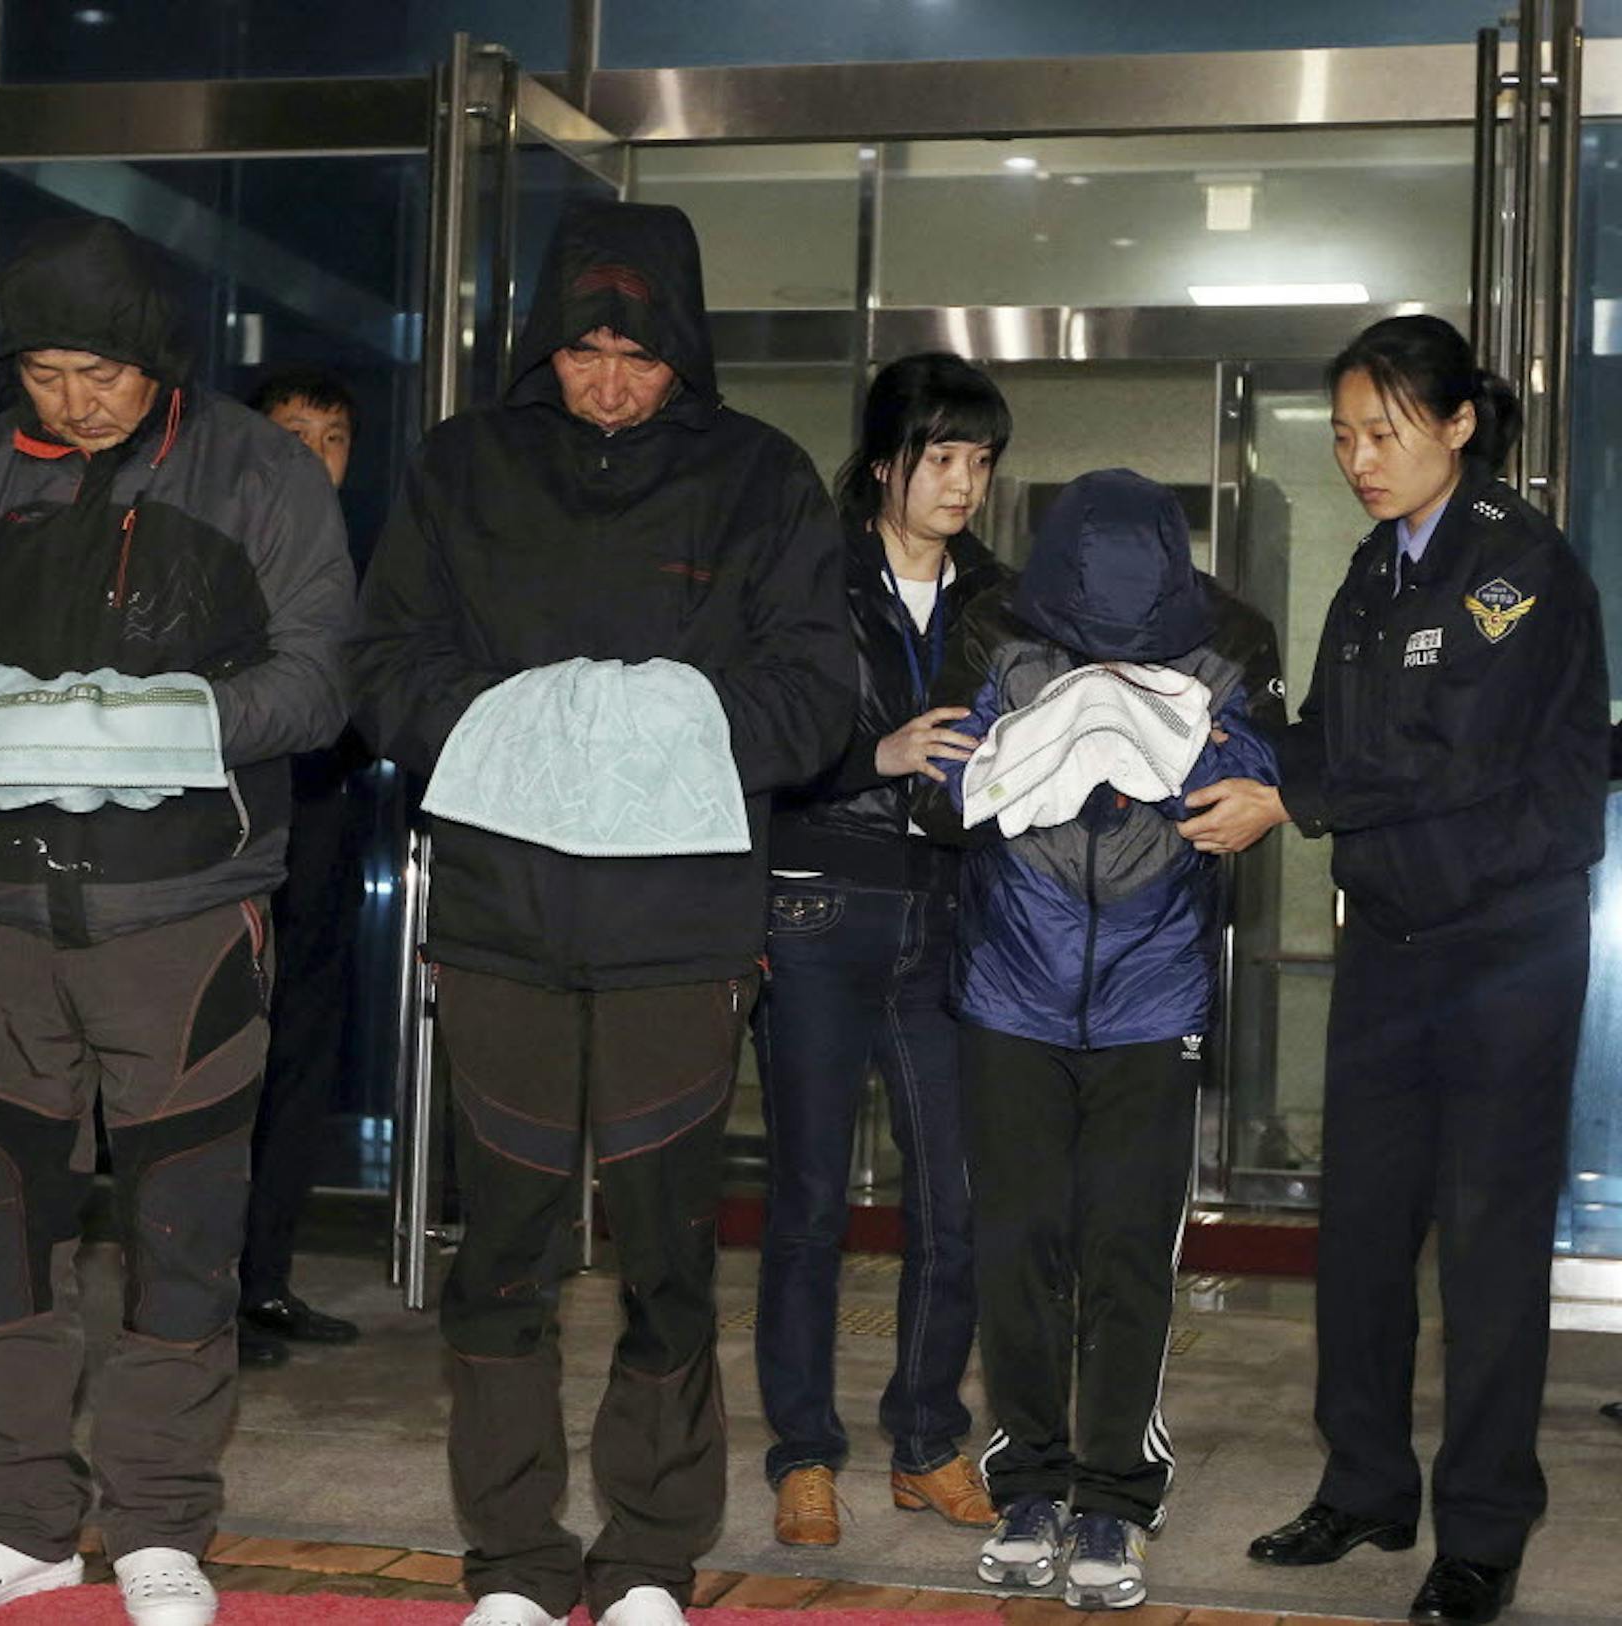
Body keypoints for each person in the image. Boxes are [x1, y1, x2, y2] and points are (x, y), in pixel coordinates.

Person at [350, 199, 854, 1626]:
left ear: (682, 350)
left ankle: (646, 1554)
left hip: (680, 932)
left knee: (667, 1254)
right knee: (501, 1251)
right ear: (543, 343)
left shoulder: (762, 479)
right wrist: (531, 719)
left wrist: (656, 720)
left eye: (637, 355)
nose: (609, 381)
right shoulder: (462, 466)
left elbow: (818, 696)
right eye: (582, 351)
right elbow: (380, 667)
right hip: (503, 921)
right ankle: (512, 1556)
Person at [0, 215, 353, 1626]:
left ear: (160, 365)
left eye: (101, 374)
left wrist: (151, 723)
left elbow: (320, 678)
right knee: (1, 1220)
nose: (72, 400)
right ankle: (17, 1517)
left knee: (181, 1224)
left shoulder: (257, 473)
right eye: (44, 372)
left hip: (183, 915)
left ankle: (156, 1525)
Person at [1184, 315, 1607, 1626]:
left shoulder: (1516, 570)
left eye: (1387, 432)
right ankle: (1365, 1480)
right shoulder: (1375, 567)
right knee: (1360, 1235)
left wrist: (1287, 801)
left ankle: (1482, 1527)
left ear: (1460, 423)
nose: (1361, 459)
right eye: (1347, 434)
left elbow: (1451, 756)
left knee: (1484, 1250)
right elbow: (1330, 732)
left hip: (1504, 949)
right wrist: (1220, 741)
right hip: (1391, 946)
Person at [913, 469, 1284, 1611]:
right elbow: (932, 795)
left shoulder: (1233, 634)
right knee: (1018, 1246)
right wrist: (1014, 754)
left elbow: (1260, 792)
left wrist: (1198, 764)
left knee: (1127, 1251)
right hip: (1009, 991)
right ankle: (1029, 1478)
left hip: (1153, 996)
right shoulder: (993, 622)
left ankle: (1117, 1500)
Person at [755, 353, 1011, 1548]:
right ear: (885, 457)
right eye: (944, 457)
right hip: (819, 902)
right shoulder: (809, 573)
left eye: (982, 461)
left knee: (951, 1199)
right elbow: (760, 736)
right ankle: (804, 1453)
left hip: (953, 911)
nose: (965, 483)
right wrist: (879, 760)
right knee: (808, 1199)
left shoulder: (1001, 598)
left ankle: (927, 1439)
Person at [236, 369, 366, 1368]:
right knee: (216, 1067)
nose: (314, 455)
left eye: (331, 437)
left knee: (300, 1061)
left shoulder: (357, 569)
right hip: (227, 838)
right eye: (294, 433)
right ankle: (201, 1293)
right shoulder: (218, 555)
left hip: (322, 837)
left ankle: (264, 1282)